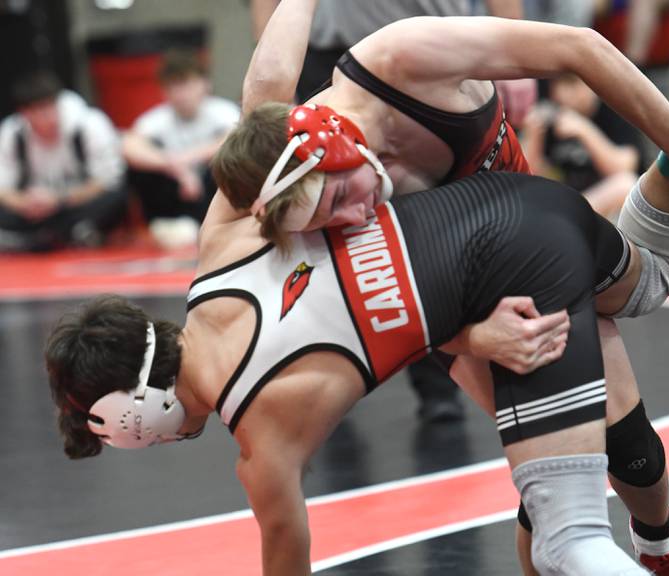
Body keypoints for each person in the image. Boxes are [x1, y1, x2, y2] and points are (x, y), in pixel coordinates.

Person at [234, 3, 669, 572]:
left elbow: (581, 47)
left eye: (340, 198)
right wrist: (477, 339)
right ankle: (657, 544)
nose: (355, 218)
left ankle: (662, 543)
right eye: (330, 222)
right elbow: (401, 317)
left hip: (541, 241)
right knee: (557, 482)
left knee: (634, 449)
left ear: (334, 144)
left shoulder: (399, 60)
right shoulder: (308, 200)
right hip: (465, 302)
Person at [250, 0, 534, 423]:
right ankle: (329, 373)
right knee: (335, 232)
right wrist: (278, 87)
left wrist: (516, 46)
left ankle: (459, 386)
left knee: (433, 232)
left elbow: (578, 50)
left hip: (426, 48)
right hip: (329, 57)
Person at [122, 50, 240, 248]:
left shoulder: (222, 112)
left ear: (204, 84)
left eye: (186, 84)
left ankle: (215, 223)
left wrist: (189, 159)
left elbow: (236, 136)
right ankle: (172, 224)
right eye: (173, 86)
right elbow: (129, 147)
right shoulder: (157, 119)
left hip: (209, 191)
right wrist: (175, 168)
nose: (180, 94)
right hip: (176, 194)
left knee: (231, 160)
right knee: (137, 169)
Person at [0, 70, 126, 251]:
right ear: (24, 113)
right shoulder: (11, 132)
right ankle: (60, 234)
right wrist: (23, 203)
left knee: (115, 198)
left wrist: (59, 200)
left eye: (48, 107)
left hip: (75, 203)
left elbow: (107, 180)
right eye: (36, 111)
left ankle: (50, 235)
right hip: (32, 209)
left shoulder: (89, 124)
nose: (45, 117)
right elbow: (3, 188)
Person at [521, 72, 644, 218]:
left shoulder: (614, 107)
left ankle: (571, 219)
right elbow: (527, 174)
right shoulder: (549, 111)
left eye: (572, 84)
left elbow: (625, 168)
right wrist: (533, 137)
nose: (563, 94)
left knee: (625, 184)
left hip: (595, 200)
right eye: (558, 85)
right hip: (561, 198)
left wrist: (584, 131)